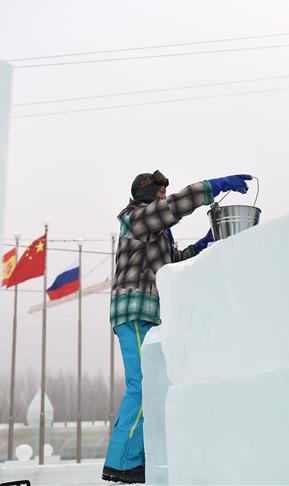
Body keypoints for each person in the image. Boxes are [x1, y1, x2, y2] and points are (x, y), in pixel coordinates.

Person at [102, 169, 252, 484]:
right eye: (158, 193)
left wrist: (206, 242)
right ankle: (122, 461)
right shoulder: (135, 218)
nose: (161, 198)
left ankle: (136, 457)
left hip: (149, 314)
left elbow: (173, 260)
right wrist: (213, 187)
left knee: (152, 385)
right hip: (136, 309)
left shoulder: (153, 232)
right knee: (141, 385)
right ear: (146, 195)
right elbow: (173, 206)